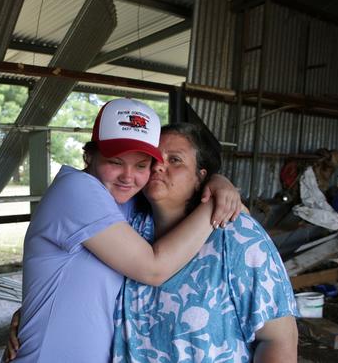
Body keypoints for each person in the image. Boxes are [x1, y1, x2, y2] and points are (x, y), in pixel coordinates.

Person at [10, 98, 241, 362]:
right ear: (89, 155)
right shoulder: (76, 190)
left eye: (142, 165)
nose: (128, 176)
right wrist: (215, 202)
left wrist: (217, 180)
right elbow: (153, 269)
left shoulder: (128, 203)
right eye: (115, 162)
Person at [112, 122, 298, 362]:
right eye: (153, 158)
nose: (159, 166)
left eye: (175, 160)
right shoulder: (126, 227)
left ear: (201, 177)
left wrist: (220, 181)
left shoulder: (236, 235)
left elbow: (278, 338)